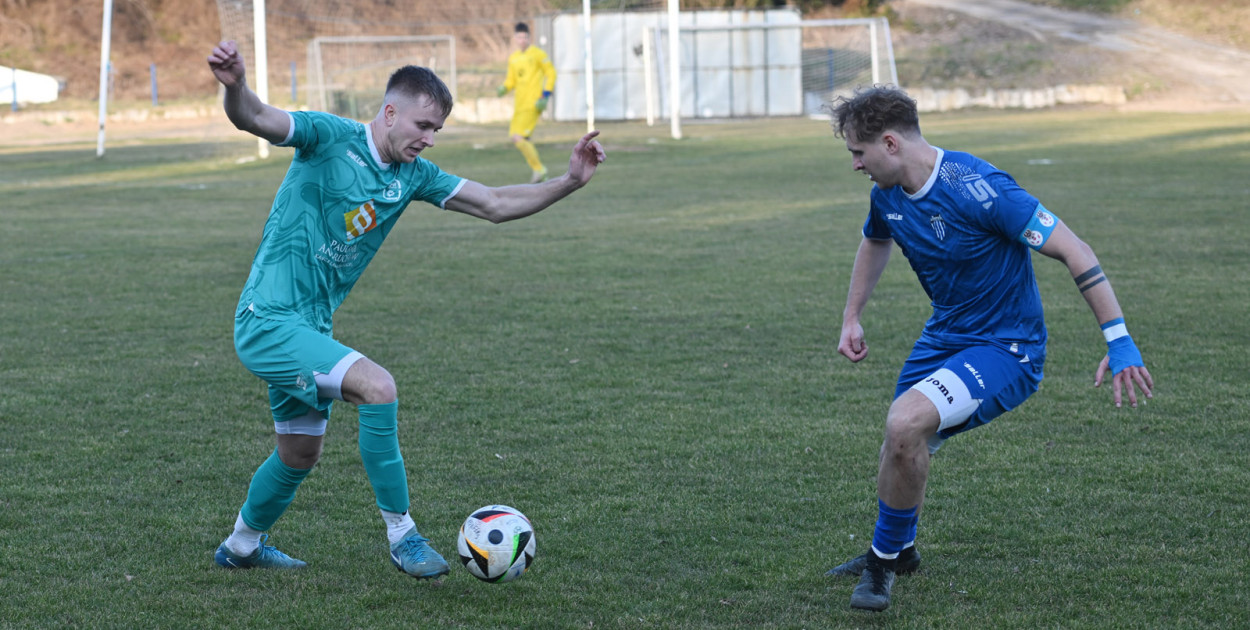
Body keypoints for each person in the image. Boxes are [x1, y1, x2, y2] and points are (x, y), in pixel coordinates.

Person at [205, 40, 605, 578]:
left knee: (300, 453)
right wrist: (234, 85)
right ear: (390, 113)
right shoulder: (329, 137)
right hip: (267, 320)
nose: (429, 138)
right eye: (422, 125)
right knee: (379, 387)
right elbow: (254, 116)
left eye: (436, 129)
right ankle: (403, 535)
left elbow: (494, 204)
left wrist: (570, 182)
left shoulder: (413, 176)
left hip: (310, 326)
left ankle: (241, 547)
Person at [823, 86, 1153, 611]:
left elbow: (1075, 250)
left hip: (1007, 346)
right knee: (901, 444)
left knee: (905, 423)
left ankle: (880, 563)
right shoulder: (886, 193)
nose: (856, 165)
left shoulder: (978, 187)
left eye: (858, 153)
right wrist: (851, 316)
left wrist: (1120, 342)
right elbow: (876, 239)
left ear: (889, 143)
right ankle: (901, 550)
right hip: (945, 336)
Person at [497, 22, 557, 183]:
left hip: (534, 103)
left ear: (529, 37)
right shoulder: (514, 58)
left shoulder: (538, 54)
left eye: (525, 37)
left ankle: (540, 170)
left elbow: (551, 73)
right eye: (519, 37)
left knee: (518, 137)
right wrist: (504, 88)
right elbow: (512, 80)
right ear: (515, 38)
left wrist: (545, 95)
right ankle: (539, 172)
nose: (522, 40)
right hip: (519, 104)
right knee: (520, 139)